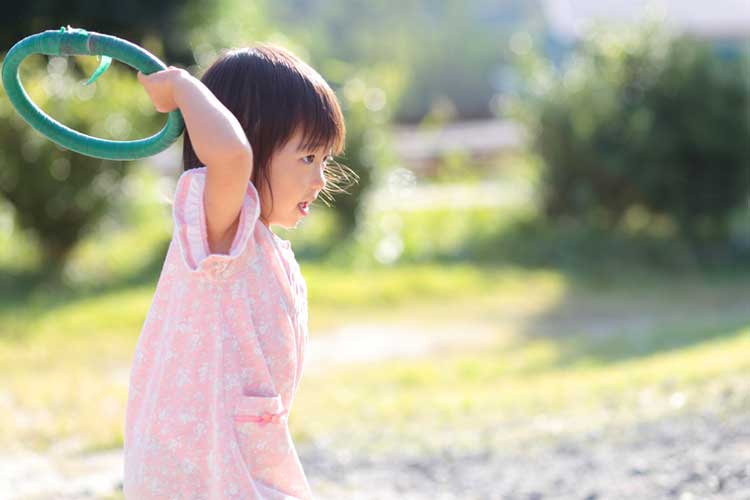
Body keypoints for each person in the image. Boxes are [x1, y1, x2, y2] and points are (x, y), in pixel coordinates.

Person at [123, 43, 355, 499]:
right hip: (198, 468)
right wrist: (181, 88)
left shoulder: (258, 243)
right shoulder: (219, 229)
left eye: (324, 160)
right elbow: (230, 156)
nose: (321, 179)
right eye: (307, 158)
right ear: (254, 144)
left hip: (242, 458)